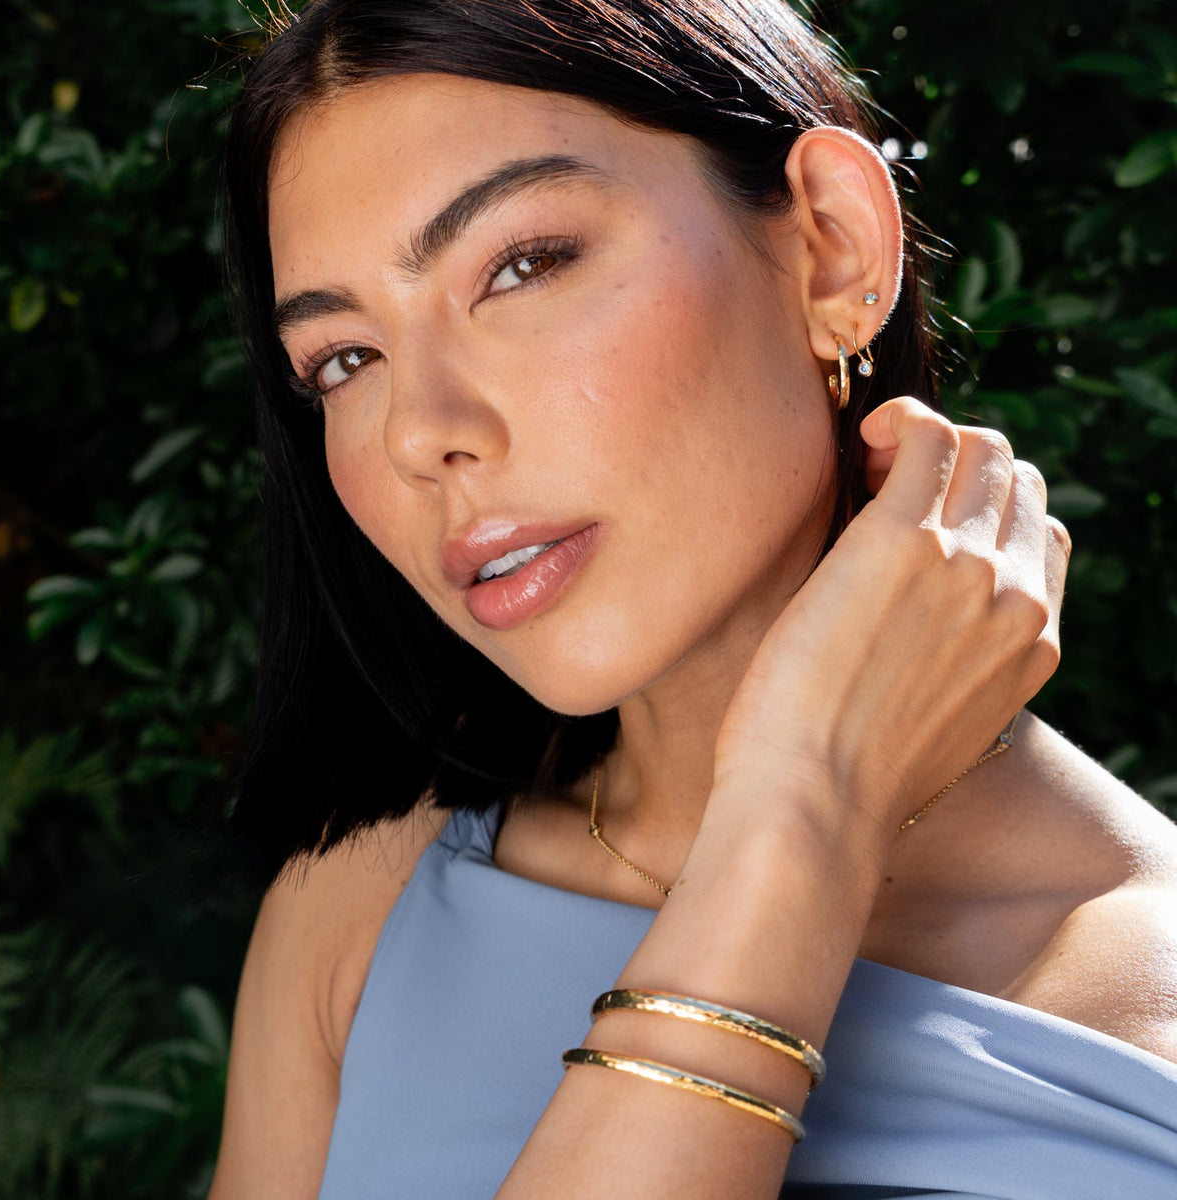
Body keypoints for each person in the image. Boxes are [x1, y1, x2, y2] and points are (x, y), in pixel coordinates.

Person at [209, 1, 1177, 1196]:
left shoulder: (1151, 998)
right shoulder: (358, 912)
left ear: (832, 248)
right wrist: (803, 812)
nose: (418, 434)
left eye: (522, 265)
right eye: (346, 360)